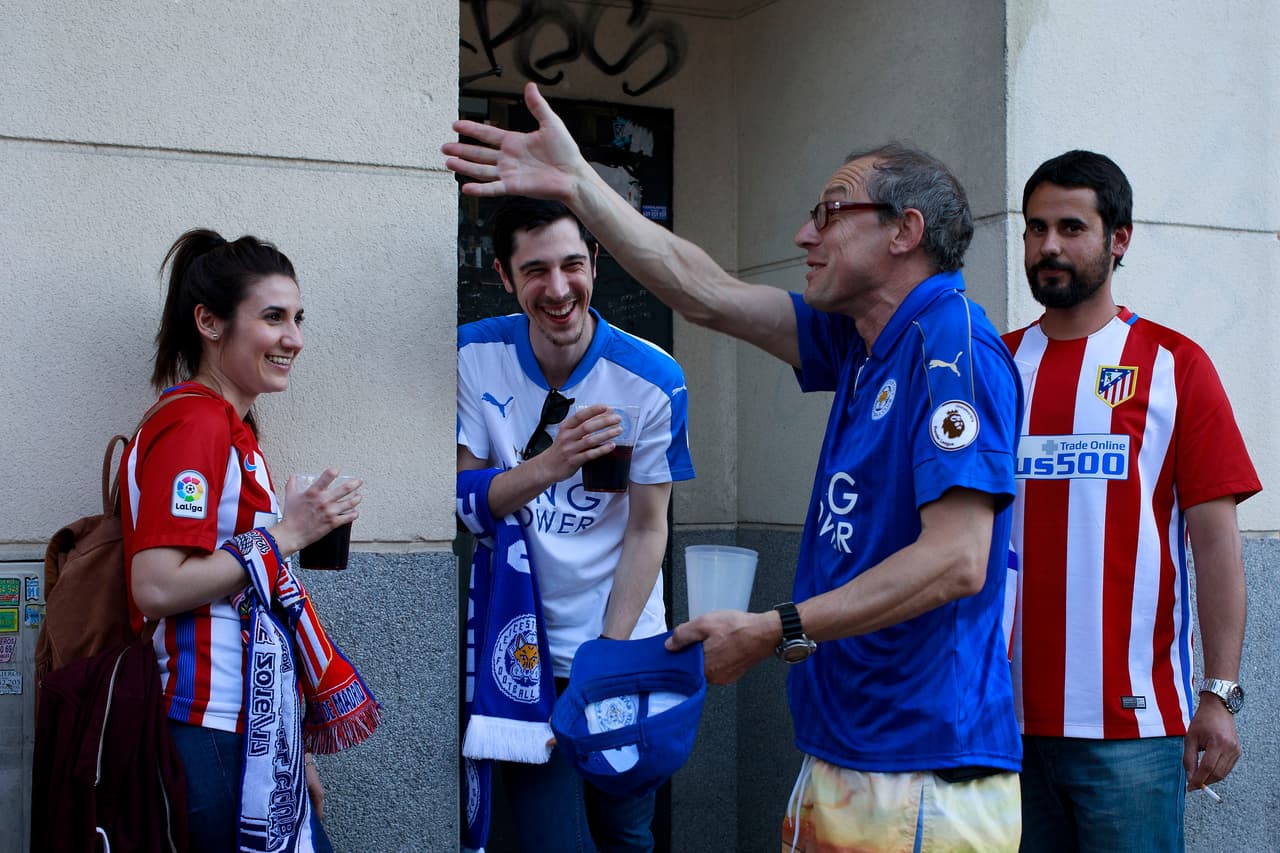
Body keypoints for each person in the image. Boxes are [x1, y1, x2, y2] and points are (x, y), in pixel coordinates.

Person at [445, 83, 1023, 853]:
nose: (804, 233)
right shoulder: (860, 338)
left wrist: (774, 627)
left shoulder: (952, 347)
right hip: (848, 747)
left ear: (904, 231)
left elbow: (958, 558)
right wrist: (580, 183)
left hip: (921, 768)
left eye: (829, 212)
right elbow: (706, 293)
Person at [1003, 151, 1260, 852]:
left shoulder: (1176, 365)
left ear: (1119, 238)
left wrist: (1220, 694)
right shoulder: (993, 368)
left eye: (1071, 227)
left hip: (1134, 732)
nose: (1049, 246)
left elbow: (1217, 548)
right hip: (1000, 724)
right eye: (1035, 228)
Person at [121, 228, 379, 853]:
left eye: (297, 318)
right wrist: (289, 533)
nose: (294, 338)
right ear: (209, 323)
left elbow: (250, 589)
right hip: (206, 719)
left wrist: (294, 748)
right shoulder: (195, 423)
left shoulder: (228, 426)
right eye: (272, 318)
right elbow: (155, 585)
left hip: (249, 724)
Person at [455, 197, 695, 852]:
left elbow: (648, 529)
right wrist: (553, 463)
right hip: (522, 656)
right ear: (505, 277)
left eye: (571, 265)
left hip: (622, 648)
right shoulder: (475, 355)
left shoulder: (652, 378)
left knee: (627, 835)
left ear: (594, 261)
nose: (558, 289)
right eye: (535, 270)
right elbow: (464, 496)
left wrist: (605, 659)